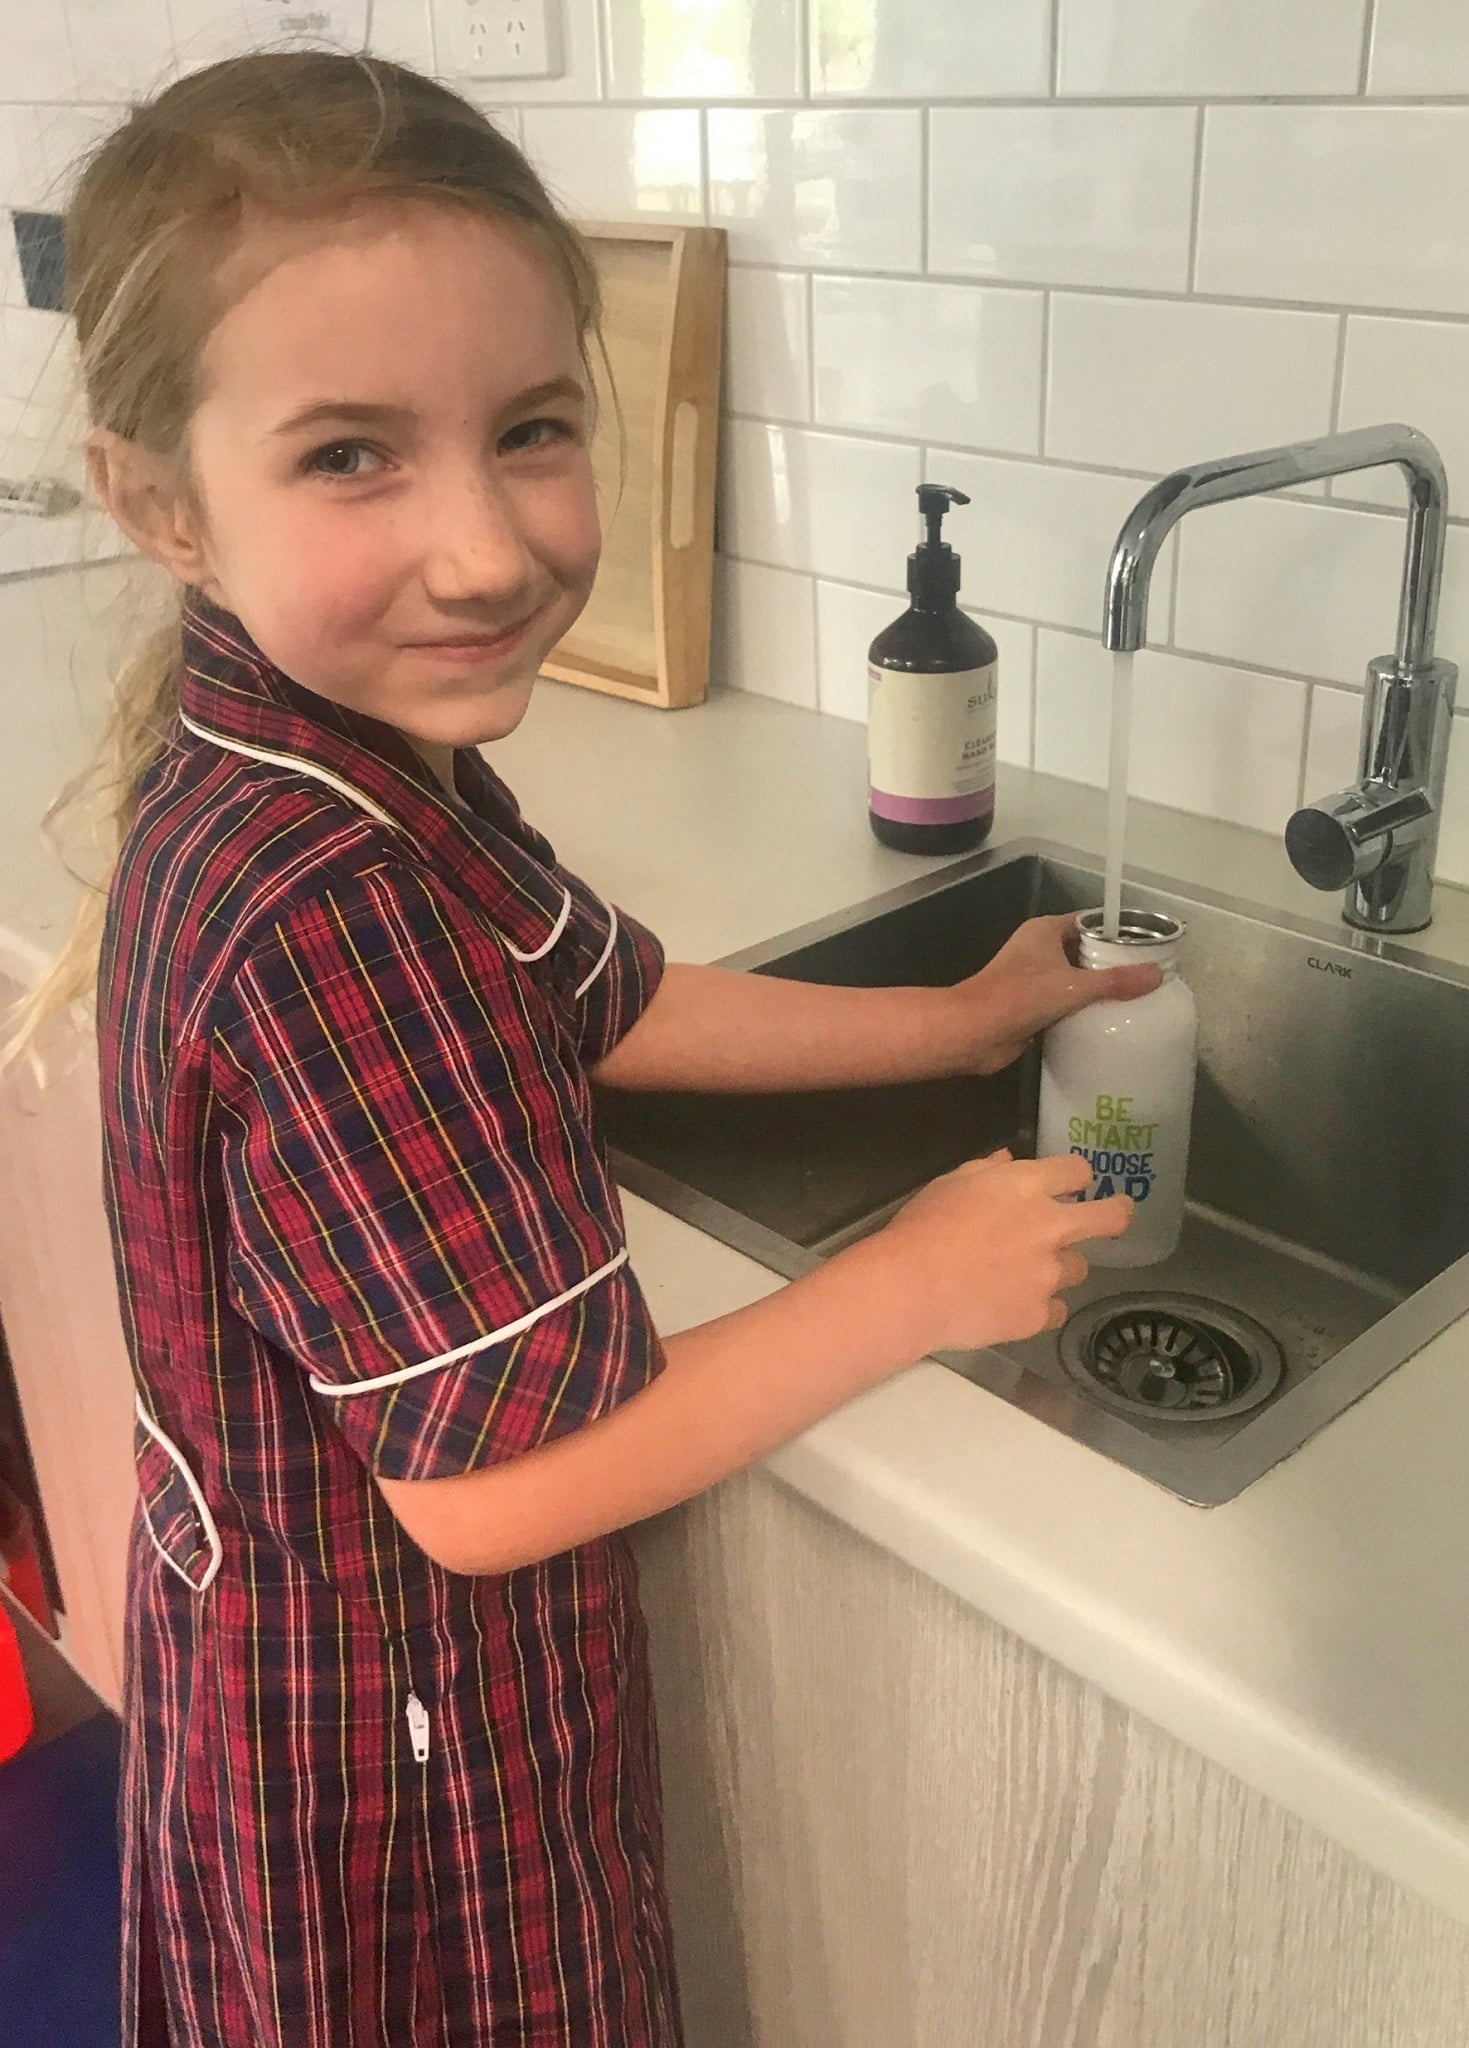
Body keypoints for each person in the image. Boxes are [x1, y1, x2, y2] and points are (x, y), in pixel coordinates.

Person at [19, 51, 1152, 2048]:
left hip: (304, 1695)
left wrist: (964, 1017)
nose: (483, 547)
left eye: (530, 429)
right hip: (400, 1777)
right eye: (351, 455)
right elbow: (491, 1492)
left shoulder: (349, 750)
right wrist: (911, 1281)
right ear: (159, 502)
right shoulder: (333, 908)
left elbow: (606, 995)